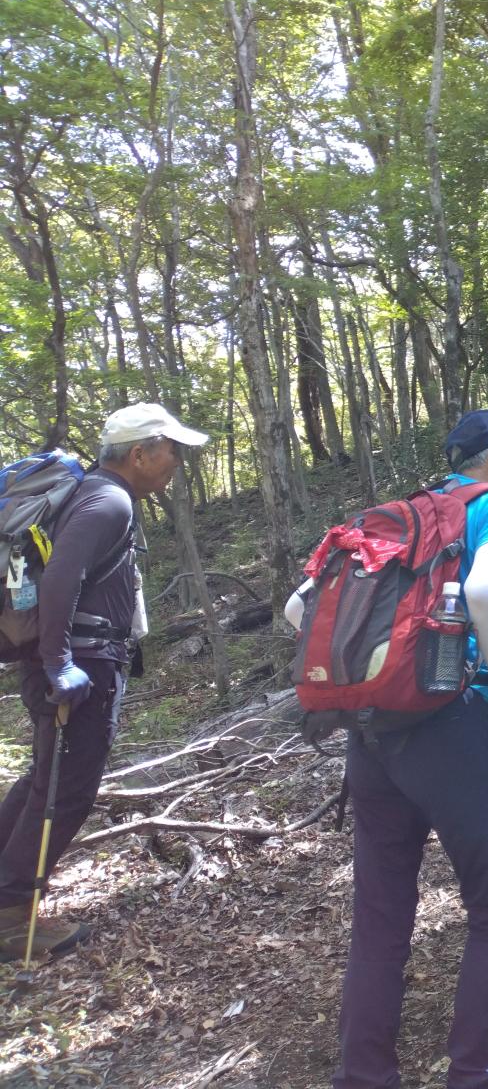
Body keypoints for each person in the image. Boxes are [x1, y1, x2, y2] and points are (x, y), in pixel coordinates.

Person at [296, 409, 488, 1089]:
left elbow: (301, 609)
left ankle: (363, 1076)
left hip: (374, 732)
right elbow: (484, 590)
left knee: (381, 917)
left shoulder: (394, 513)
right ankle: (477, 1078)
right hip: (457, 722)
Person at [0, 403, 208, 962]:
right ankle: (12, 918)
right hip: (81, 664)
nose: (176, 463)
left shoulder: (97, 494)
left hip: (79, 657)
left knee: (45, 778)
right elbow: (62, 577)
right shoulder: (109, 500)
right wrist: (58, 662)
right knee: (66, 789)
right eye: (171, 451)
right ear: (139, 453)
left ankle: (6, 894)